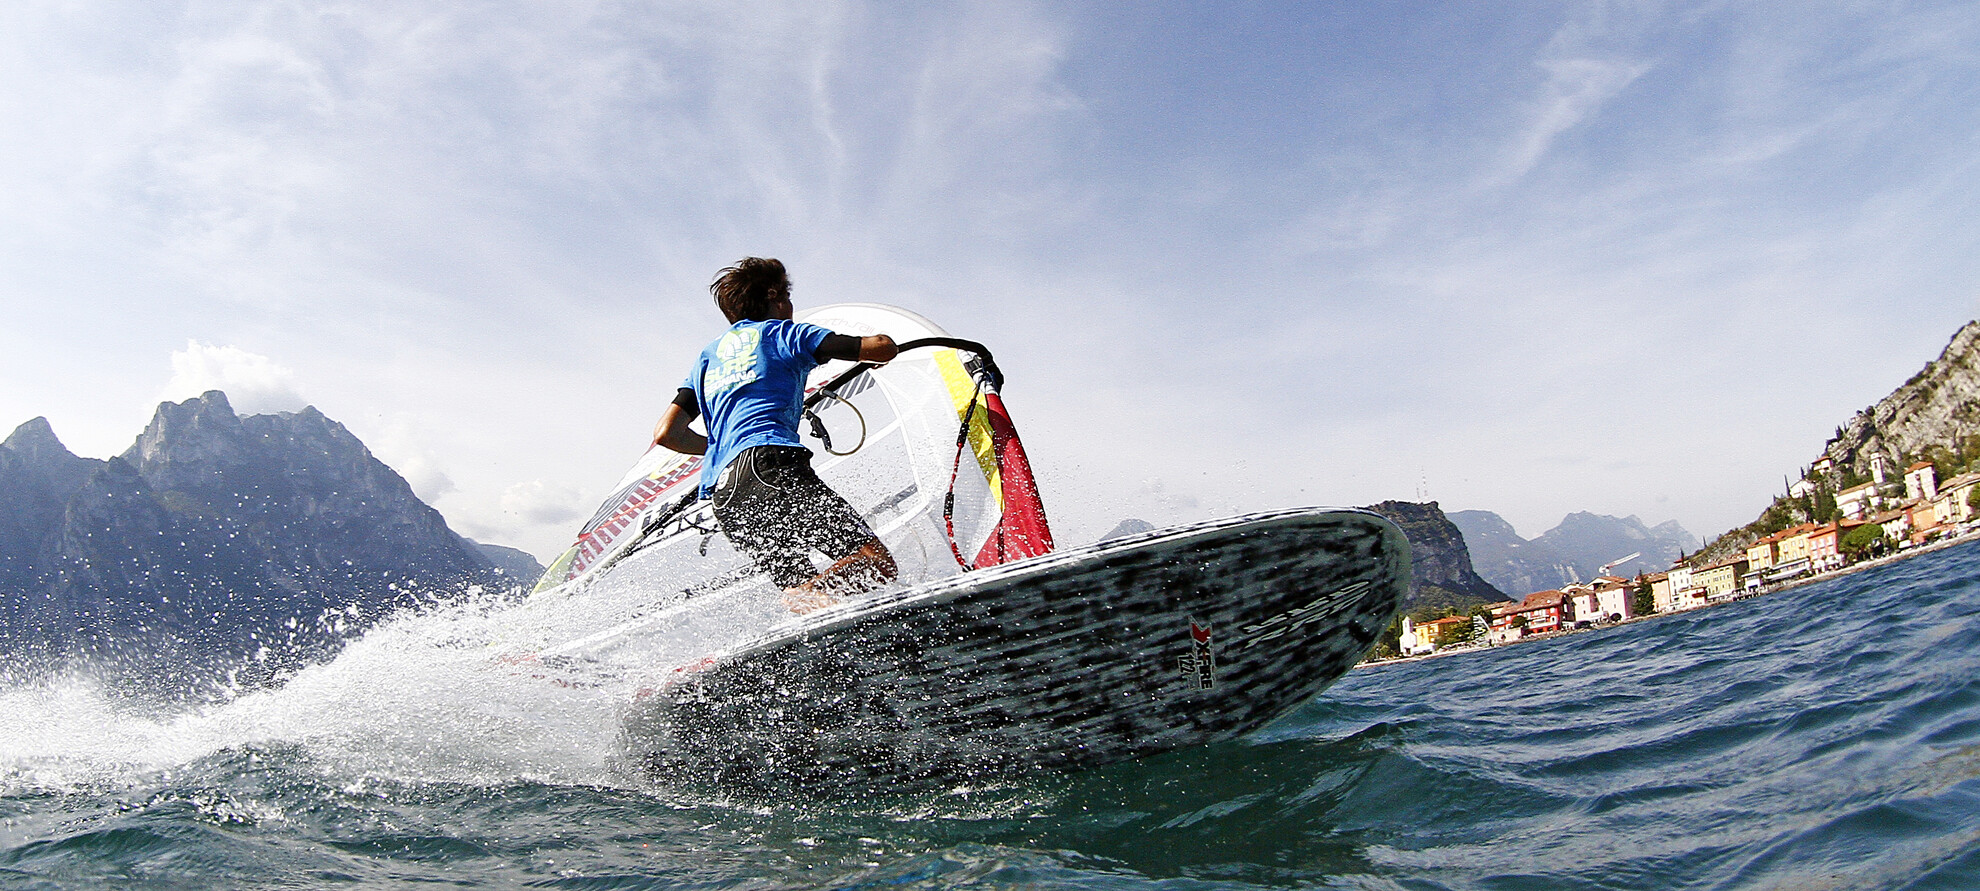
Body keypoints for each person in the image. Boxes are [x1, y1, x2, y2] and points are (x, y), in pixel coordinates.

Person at [650, 257, 900, 613]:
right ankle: (799, 597)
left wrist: (726, 447)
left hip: (725, 494)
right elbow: (879, 348)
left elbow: (667, 433)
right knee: (875, 562)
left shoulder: (707, 358)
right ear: (774, 295)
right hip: (771, 468)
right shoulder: (783, 333)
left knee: (811, 598)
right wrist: (886, 342)